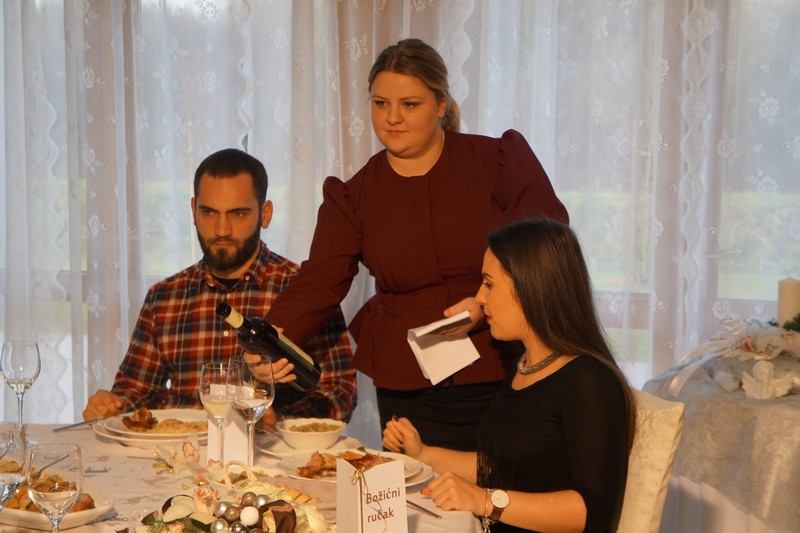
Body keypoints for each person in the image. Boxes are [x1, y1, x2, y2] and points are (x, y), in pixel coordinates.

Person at [265, 38, 569, 450]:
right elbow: (320, 279)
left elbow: (547, 245)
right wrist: (271, 338)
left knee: (502, 482)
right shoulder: (352, 196)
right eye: (380, 103)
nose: (392, 118)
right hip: (408, 384)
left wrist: (484, 303)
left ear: (441, 104)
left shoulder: (498, 161)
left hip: (504, 364)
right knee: (417, 488)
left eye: (409, 104)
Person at [383, 218, 636, 533]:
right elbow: (499, 466)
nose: (479, 297)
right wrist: (423, 454)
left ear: (531, 286)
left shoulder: (589, 381)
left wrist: (485, 501)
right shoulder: (524, 365)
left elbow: (593, 512)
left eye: (489, 284)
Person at [83, 148, 356, 431]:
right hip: (180, 451)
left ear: (265, 214)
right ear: (193, 210)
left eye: (237, 213)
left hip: (270, 454)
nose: (222, 229)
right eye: (209, 212)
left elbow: (340, 393)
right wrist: (113, 405)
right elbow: (136, 391)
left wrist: (280, 420)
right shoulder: (163, 298)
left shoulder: (306, 291)